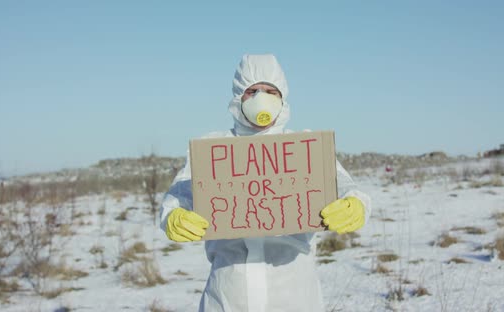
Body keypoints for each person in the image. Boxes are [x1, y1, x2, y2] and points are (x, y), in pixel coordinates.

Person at [159, 54, 371, 312]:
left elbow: (346, 187)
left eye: (271, 90)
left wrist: (355, 204)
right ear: (239, 96)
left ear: (283, 98)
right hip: (229, 296)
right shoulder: (213, 149)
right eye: (253, 91)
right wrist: (173, 215)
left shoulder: (306, 149)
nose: (262, 98)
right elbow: (180, 192)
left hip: (295, 294)